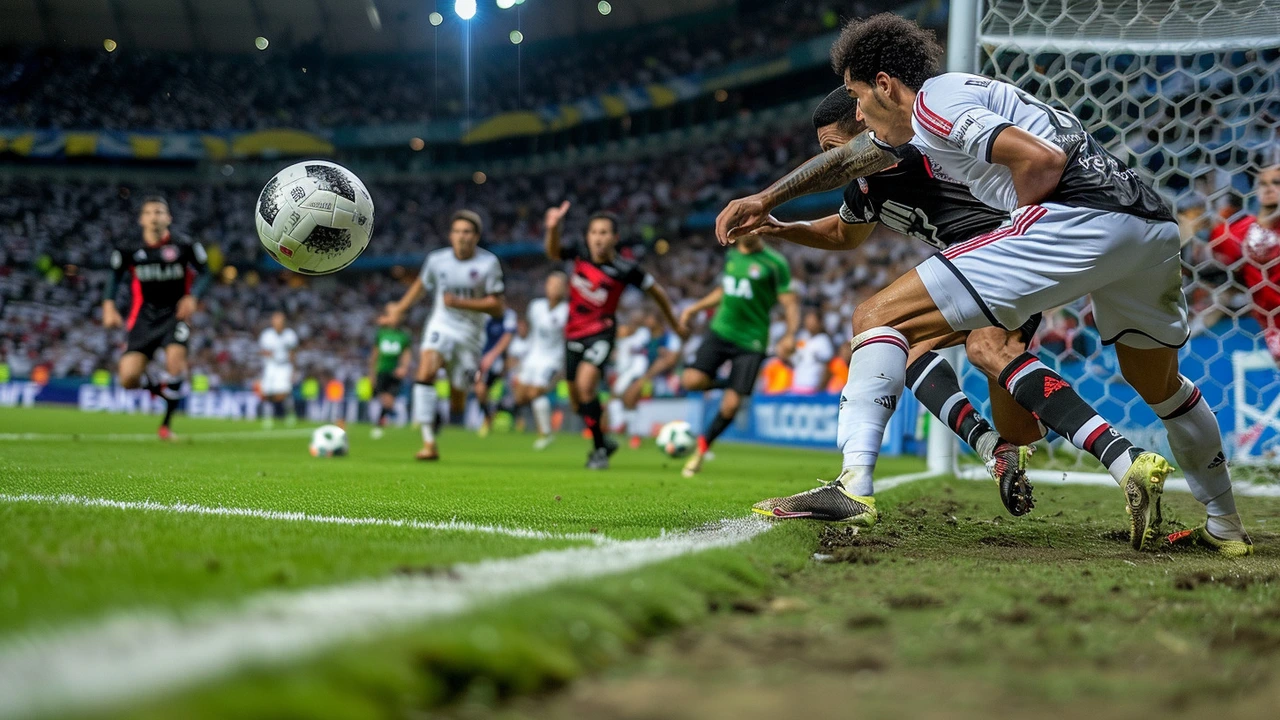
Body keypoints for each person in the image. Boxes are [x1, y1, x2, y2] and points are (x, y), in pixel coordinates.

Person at [722, 14, 1249, 555]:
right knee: (1161, 387)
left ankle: (853, 484)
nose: (857, 112)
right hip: (1147, 224)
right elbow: (851, 166)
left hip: (1075, 217)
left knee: (874, 318)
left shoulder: (933, 102)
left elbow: (1039, 160)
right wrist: (769, 204)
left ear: (884, 85)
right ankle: (1225, 526)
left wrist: (1026, 245)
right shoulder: (930, 117)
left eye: (858, 96)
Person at [544, 201, 687, 469]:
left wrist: (674, 323)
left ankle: (599, 451)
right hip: (573, 333)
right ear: (588, 236)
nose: (598, 238)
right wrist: (553, 228)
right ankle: (603, 441)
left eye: (604, 232)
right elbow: (553, 252)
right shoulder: (578, 253)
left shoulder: (626, 269)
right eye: (594, 232)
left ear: (615, 237)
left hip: (601, 332)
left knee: (587, 386)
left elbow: (657, 292)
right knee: (577, 400)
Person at [382, 210, 505, 461]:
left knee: (458, 401)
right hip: (442, 325)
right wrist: (400, 309)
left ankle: (437, 415)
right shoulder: (437, 260)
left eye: (467, 232)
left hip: (471, 335)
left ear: (476, 236)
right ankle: (429, 443)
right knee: (425, 371)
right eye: (457, 231)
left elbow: (498, 307)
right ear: (451, 235)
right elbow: (420, 286)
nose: (462, 237)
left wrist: (459, 302)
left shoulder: (488, 263)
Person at [678, 232, 799, 478]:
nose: (748, 232)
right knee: (691, 380)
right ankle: (734, 385)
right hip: (721, 331)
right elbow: (725, 289)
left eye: (752, 226)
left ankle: (701, 451)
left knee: (731, 406)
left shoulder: (775, 263)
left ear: (760, 227)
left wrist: (789, 335)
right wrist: (695, 307)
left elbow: (790, 303)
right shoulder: (732, 254)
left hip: (751, 341)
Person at [101, 196, 211, 440]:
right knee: (128, 378)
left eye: (160, 212)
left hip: (176, 315)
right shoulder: (129, 250)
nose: (154, 217)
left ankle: (166, 425)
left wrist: (192, 297)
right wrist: (108, 305)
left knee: (175, 364)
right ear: (142, 219)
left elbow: (206, 273)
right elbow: (114, 277)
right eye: (149, 212)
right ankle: (156, 386)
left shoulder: (185, 245)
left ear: (168, 218)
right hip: (144, 318)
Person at [1210, 163, 1280, 364]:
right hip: (1272, 324)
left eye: (1276, 183)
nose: (1268, 188)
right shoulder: (1238, 231)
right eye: (1263, 183)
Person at [609, 311, 683, 449]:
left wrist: (646, 377)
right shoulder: (644, 336)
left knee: (631, 394)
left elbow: (670, 361)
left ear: (658, 321)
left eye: (649, 317)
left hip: (663, 380)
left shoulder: (670, 338)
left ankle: (631, 431)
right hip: (643, 376)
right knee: (620, 394)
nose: (646, 321)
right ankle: (628, 430)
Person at [513, 272, 570, 450]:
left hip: (553, 359)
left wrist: (565, 366)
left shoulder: (568, 311)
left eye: (558, 285)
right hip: (533, 356)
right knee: (521, 396)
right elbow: (530, 330)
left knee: (536, 392)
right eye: (550, 284)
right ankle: (529, 424)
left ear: (565, 289)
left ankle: (545, 433)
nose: (553, 288)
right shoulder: (536, 306)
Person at [368, 303, 413, 439]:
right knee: (385, 399)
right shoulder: (381, 332)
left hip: (395, 372)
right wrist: (372, 373)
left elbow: (406, 354)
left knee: (390, 400)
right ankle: (382, 420)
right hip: (382, 370)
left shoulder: (404, 335)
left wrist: (404, 368)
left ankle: (381, 421)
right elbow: (374, 355)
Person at [474, 306, 518, 437]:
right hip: (485, 360)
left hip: (505, 360)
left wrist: (495, 356)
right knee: (480, 390)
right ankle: (487, 419)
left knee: (513, 394)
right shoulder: (484, 316)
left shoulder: (509, 315)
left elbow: (508, 336)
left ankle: (518, 421)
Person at [258, 310, 298, 429]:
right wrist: (270, 355)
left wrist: (293, 369)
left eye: (280, 320)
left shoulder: (290, 335)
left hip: (285, 365)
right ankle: (268, 417)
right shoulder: (267, 335)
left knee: (285, 392)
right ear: (272, 321)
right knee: (267, 392)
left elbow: (293, 353)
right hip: (271, 365)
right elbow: (263, 351)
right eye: (276, 320)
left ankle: (290, 414)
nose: (278, 322)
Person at [791, 309, 834, 394]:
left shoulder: (823, 340)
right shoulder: (802, 337)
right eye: (807, 320)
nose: (809, 323)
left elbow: (828, 367)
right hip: (797, 386)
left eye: (812, 320)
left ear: (819, 322)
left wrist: (821, 388)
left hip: (812, 387)